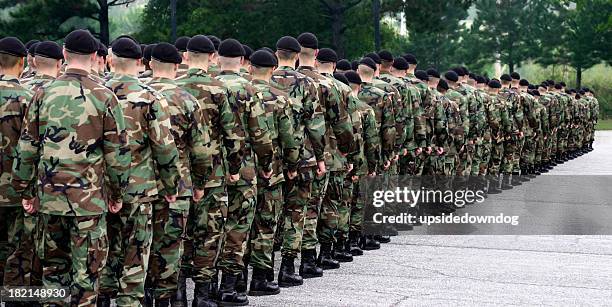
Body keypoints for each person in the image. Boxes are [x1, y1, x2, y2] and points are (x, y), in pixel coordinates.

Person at [11, 29, 130, 306]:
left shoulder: (42, 92)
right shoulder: (105, 96)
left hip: (50, 197)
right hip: (88, 201)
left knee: (53, 270)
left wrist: (25, 191)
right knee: (87, 273)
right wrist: (117, 193)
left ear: (64, 54)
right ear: (93, 56)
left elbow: (27, 148)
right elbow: (118, 154)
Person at [98, 37, 181, 307]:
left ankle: (102, 299)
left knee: (103, 251)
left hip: (97, 189)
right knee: (135, 253)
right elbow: (165, 148)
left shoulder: (95, 93)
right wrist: (171, 187)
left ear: (110, 60)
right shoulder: (150, 97)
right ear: (140, 62)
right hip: (139, 190)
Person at [145, 42, 210, 306]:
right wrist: (200, 182)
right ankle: (170, 299)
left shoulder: (135, 94)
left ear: (150, 63)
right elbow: (201, 150)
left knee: (138, 246)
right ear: (177, 65)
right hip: (179, 184)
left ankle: (142, 297)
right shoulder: (186, 99)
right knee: (171, 246)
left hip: (138, 183)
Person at [175, 34, 237, 306]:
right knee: (209, 233)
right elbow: (232, 134)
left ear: (186, 56)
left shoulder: (170, 88)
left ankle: (176, 294)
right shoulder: (219, 89)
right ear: (213, 57)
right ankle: (202, 294)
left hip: (177, 173)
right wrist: (234, 167)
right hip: (211, 173)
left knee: (176, 234)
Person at [213, 38, 274, 306]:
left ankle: (199, 289)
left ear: (217, 58)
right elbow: (261, 136)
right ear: (242, 62)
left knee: (206, 230)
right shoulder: (249, 91)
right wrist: (267, 164)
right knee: (238, 228)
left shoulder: (205, 87)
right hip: (245, 169)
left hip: (209, 170)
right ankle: (230, 286)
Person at [269, 36, 325, 288]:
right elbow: (315, 126)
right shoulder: (307, 83)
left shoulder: (260, 80)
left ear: (276, 53)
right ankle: (289, 267)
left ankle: (262, 269)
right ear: (298, 56)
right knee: (296, 212)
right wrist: (320, 157)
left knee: (266, 215)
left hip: (268, 157)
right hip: (301, 157)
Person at [296, 33, 354, 272]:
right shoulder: (333, 86)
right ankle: (317, 256)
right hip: (326, 156)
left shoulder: (283, 81)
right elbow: (345, 125)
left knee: (299, 208)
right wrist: (349, 153)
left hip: (290, 155)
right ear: (316, 54)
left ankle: (295, 257)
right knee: (325, 205)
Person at [246, 49, 300, 296]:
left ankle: (234, 280)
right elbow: (289, 140)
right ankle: (260, 277)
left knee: (239, 225)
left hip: (241, 170)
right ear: (272, 70)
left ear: (250, 67)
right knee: (266, 224)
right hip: (271, 169)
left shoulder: (238, 93)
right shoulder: (279, 99)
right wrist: (292, 165)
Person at [0, 36, 36, 289]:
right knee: (19, 254)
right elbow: (34, 146)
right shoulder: (30, 98)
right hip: (17, 187)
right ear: (23, 62)